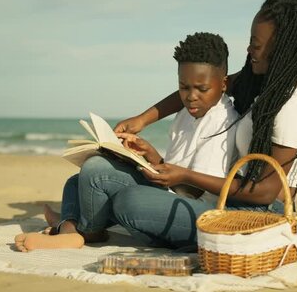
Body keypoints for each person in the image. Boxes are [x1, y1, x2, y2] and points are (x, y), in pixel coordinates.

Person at [110, 0, 297, 248]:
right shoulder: (264, 82)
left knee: (131, 201)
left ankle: (176, 237)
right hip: (232, 202)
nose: (249, 50)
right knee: (109, 179)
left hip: (260, 218)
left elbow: (265, 192)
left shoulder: (293, 105)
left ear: (283, 47)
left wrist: (185, 176)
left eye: (256, 45)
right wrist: (143, 120)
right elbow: (201, 87)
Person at [14, 32, 239, 251]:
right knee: (79, 180)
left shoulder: (221, 121)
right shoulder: (187, 113)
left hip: (194, 212)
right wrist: (146, 154)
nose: (191, 96)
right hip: (171, 193)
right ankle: (69, 228)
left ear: (224, 84)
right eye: (184, 87)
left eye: (202, 88)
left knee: (107, 181)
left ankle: (84, 230)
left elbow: (190, 191)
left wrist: (148, 161)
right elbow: (174, 173)